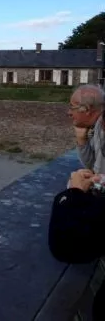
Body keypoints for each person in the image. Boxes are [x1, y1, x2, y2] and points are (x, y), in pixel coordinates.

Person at [49, 84, 105, 320]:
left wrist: (78, 192)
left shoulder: (104, 127)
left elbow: (95, 171)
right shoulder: (97, 127)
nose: (68, 113)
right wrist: (81, 141)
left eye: (72, 108)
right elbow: (92, 164)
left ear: (89, 109)